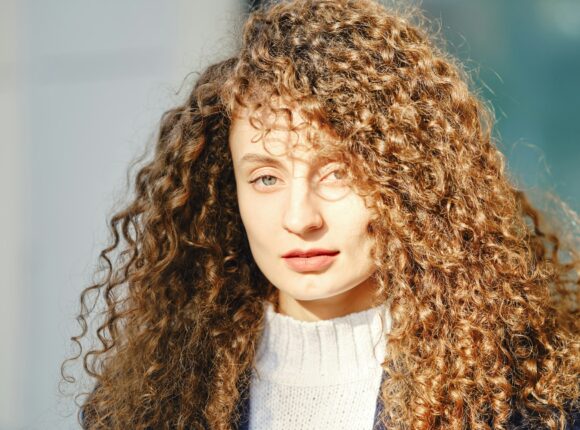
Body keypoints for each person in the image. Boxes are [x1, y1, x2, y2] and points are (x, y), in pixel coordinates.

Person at [61, 0, 579, 428]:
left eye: (337, 173)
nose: (300, 217)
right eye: (266, 177)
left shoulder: (532, 402)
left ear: (408, 183)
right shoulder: (147, 408)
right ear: (228, 193)